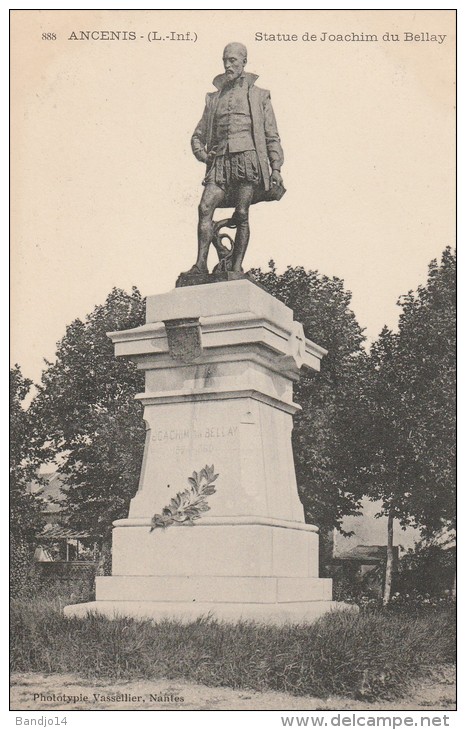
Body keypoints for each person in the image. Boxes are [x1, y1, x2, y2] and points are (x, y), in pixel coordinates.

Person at [189, 42, 284, 274]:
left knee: (242, 213)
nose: (228, 64)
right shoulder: (213, 99)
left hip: (247, 161)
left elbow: (272, 135)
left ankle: (236, 266)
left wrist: (276, 168)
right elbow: (197, 136)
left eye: (232, 60)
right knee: (204, 207)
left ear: (244, 61)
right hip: (220, 163)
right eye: (225, 60)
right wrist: (203, 156)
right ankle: (200, 265)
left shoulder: (260, 96)